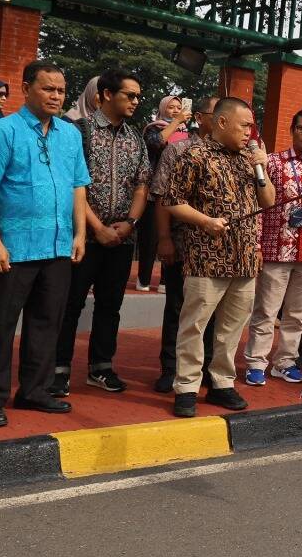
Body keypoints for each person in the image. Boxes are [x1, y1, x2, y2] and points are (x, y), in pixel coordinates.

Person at [0, 61, 88, 428]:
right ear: (26, 88)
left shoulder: (71, 135)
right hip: (14, 246)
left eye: (61, 90)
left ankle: (34, 390)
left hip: (58, 246)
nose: (55, 96)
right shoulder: (3, 131)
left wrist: (80, 233)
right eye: (48, 88)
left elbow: (78, 185)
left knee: (47, 323)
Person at [164, 97, 275, 417]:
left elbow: (268, 200)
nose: (249, 133)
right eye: (245, 126)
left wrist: (260, 166)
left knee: (230, 328)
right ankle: (186, 386)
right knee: (194, 326)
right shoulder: (194, 154)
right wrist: (205, 222)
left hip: (245, 259)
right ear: (222, 122)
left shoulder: (247, 158)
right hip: (206, 258)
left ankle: (222, 384)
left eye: (252, 127)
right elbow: (172, 201)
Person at [50, 69, 151, 397]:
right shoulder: (77, 131)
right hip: (84, 237)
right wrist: (97, 228)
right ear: (106, 95)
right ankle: (59, 369)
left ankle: (101, 367)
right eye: (129, 95)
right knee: (71, 304)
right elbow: (70, 185)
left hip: (122, 239)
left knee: (110, 305)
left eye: (138, 96)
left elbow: (142, 184)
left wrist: (130, 224)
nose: (136, 101)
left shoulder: (135, 137)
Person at [243, 109, 302, 386]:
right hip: (276, 248)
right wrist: (257, 244)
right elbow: (259, 207)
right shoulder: (272, 163)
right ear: (292, 130)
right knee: (266, 311)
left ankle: (284, 361)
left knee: (297, 315)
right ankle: (255, 362)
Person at [149, 95, 219, 393]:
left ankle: (205, 368)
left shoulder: (233, 152)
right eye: (218, 114)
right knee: (178, 307)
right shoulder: (178, 149)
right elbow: (163, 196)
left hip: (218, 248)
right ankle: (171, 368)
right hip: (182, 241)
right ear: (200, 117)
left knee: (213, 311)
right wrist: (164, 238)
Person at [137, 96, 186, 291]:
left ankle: (165, 280)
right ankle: (144, 279)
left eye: (178, 108)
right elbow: (155, 144)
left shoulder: (187, 133)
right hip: (152, 191)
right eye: (171, 107)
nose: (175, 110)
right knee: (150, 238)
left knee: (173, 237)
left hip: (174, 193)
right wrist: (175, 123)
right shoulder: (153, 128)